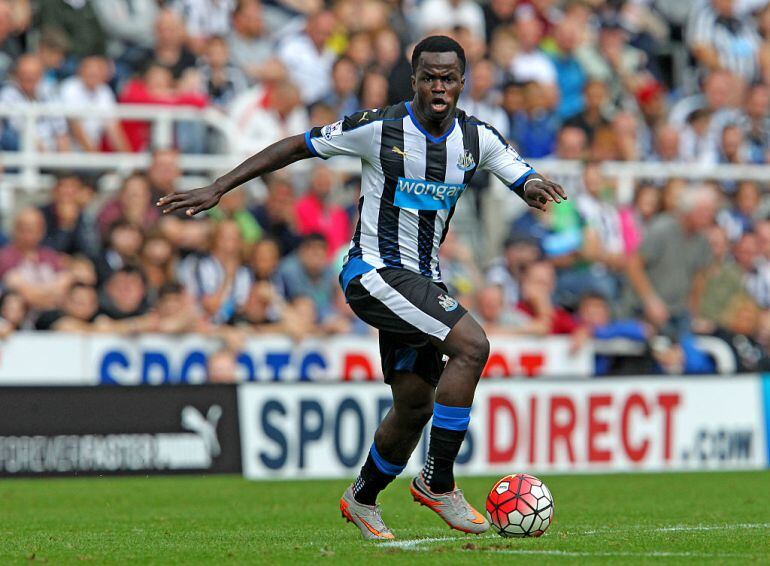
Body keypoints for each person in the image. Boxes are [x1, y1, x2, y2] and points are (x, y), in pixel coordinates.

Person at [157, 35, 565, 541]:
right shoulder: (379, 128)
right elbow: (295, 146)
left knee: (415, 403)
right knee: (473, 346)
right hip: (373, 273)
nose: (439, 86)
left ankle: (364, 496)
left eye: (449, 78)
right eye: (429, 77)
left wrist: (531, 186)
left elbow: (515, 170)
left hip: (421, 281)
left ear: (463, 82)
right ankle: (438, 481)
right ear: (414, 80)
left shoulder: (475, 137)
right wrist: (218, 186)